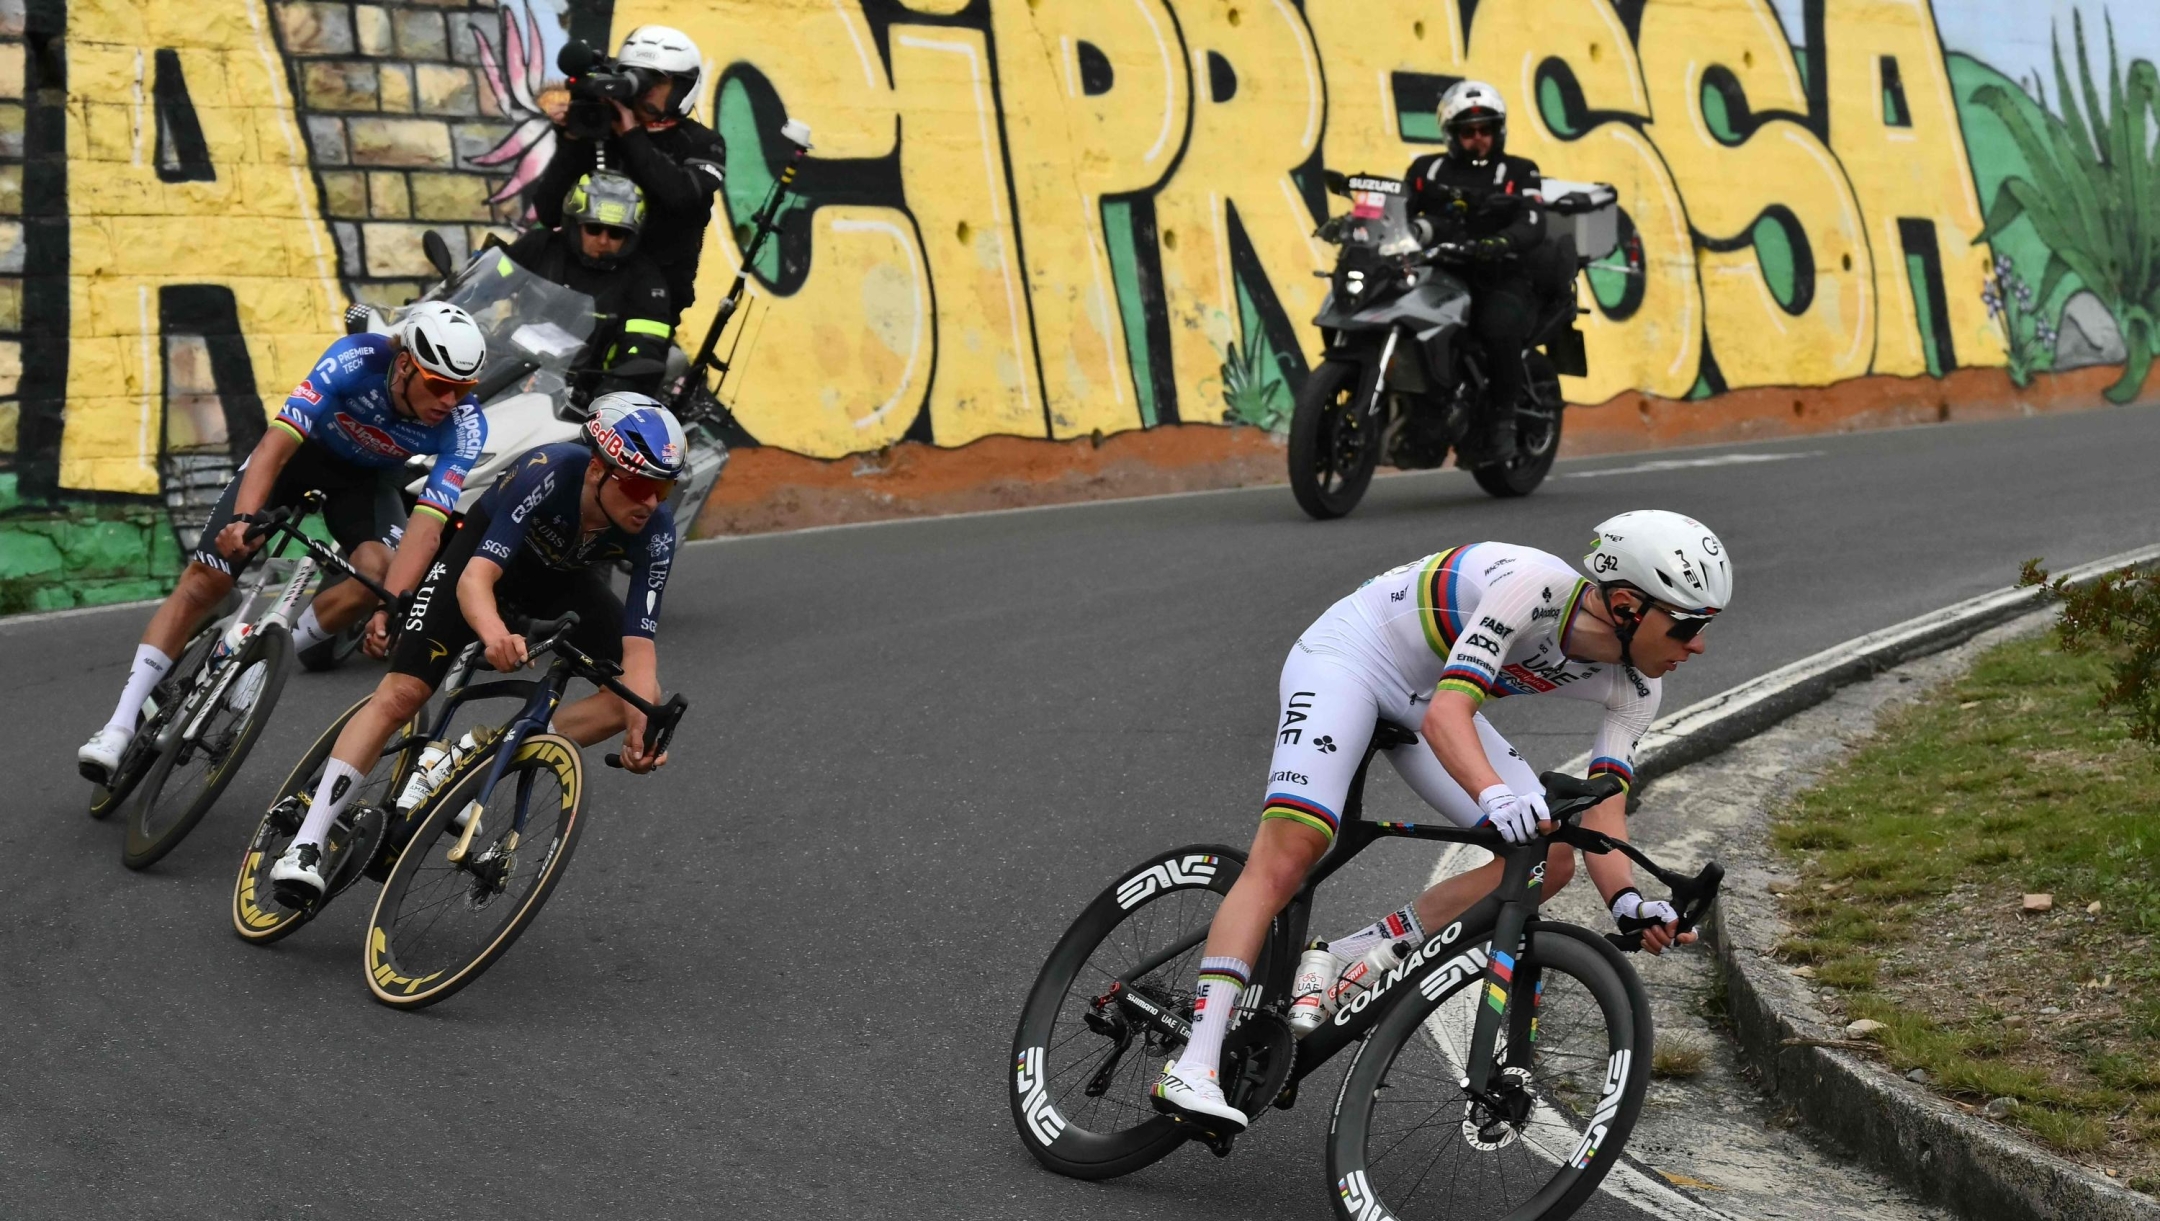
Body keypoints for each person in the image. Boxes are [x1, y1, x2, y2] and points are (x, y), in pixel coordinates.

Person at [1149, 510, 1733, 1136]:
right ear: (1625, 606)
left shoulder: (1639, 689)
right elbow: (1450, 716)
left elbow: (1604, 804)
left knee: (1549, 857)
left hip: (1425, 692)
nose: (1697, 645)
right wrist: (1495, 796)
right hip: (1353, 657)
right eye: (1686, 627)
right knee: (1290, 854)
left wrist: (1627, 900)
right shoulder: (1529, 587)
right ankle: (1195, 1063)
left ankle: (1352, 957)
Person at [267, 393, 683, 904]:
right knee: (402, 695)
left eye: (664, 487)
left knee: (639, 696)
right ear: (597, 468)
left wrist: (641, 733)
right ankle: (306, 842)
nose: (651, 503)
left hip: (561, 584)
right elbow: (476, 581)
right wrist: (493, 634)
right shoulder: (549, 470)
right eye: (640, 485)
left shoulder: (657, 530)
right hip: (478, 566)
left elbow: (639, 649)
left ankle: (480, 752)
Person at [76, 305, 490, 784]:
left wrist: (390, 606)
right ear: (404, 366)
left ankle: (263, 661)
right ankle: (118, 725)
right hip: (300, 458)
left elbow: (428, 525)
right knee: (207, 580)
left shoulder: (464, 425)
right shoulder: (357, 359)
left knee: (376, 575)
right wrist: (244, 520)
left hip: (367, 485)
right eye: (439, 385)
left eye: (464, 389)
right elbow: (275, 444)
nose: (450, 399)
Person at [534, 25, 725, 324]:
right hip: (577, 294)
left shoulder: (703, 143)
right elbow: (548, 211)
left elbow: (681, 195)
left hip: (652, 300)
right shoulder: (600, 130)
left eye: (656, 81)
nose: (644, 90)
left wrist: (632, 135)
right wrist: (571, 139)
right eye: (636, 77)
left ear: (682, 87)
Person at [1403, 80, 1548, 465]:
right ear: (1451, 134)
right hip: (1439, 270)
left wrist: (1502, 242)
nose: (1478, 139)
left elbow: (1534, 221)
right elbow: (1398, 209)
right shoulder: (1425, 169)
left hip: (1497, 274)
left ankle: (1501, 421)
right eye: (1468, 132)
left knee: (1499, 327)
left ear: (1498, 130)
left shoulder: (1519, 171)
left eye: (1486, 130)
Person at [507, 171, 674, 398]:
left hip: (578, 396)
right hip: (508, 367)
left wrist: (610, 394)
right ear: (575, 224)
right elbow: (484, 287)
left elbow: (642, 351)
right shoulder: (540, 246)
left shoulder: (646, 282)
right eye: (594, 229)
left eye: (616, 233)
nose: (603, 240)